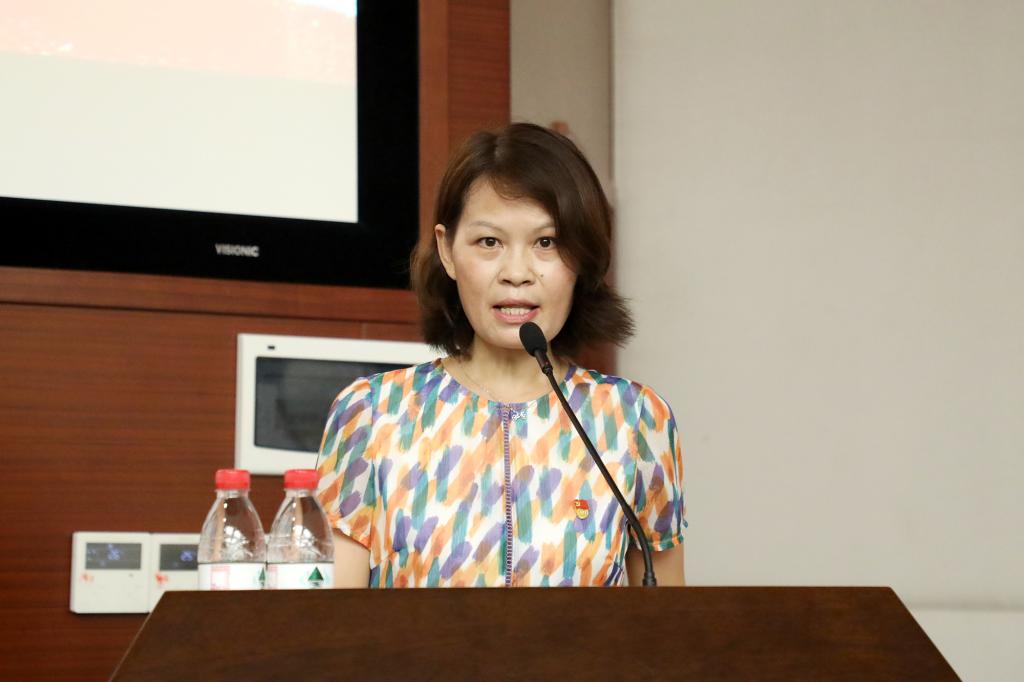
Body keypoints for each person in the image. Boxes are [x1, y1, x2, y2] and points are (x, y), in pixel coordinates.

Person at [315, 122, 687, 587]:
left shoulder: (636, 421)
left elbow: (667, 619)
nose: (516, 273)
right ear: (447, 250)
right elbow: (332, 620)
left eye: (546, 243)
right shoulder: (371, 414)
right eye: (489, 242)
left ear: (582, 258)